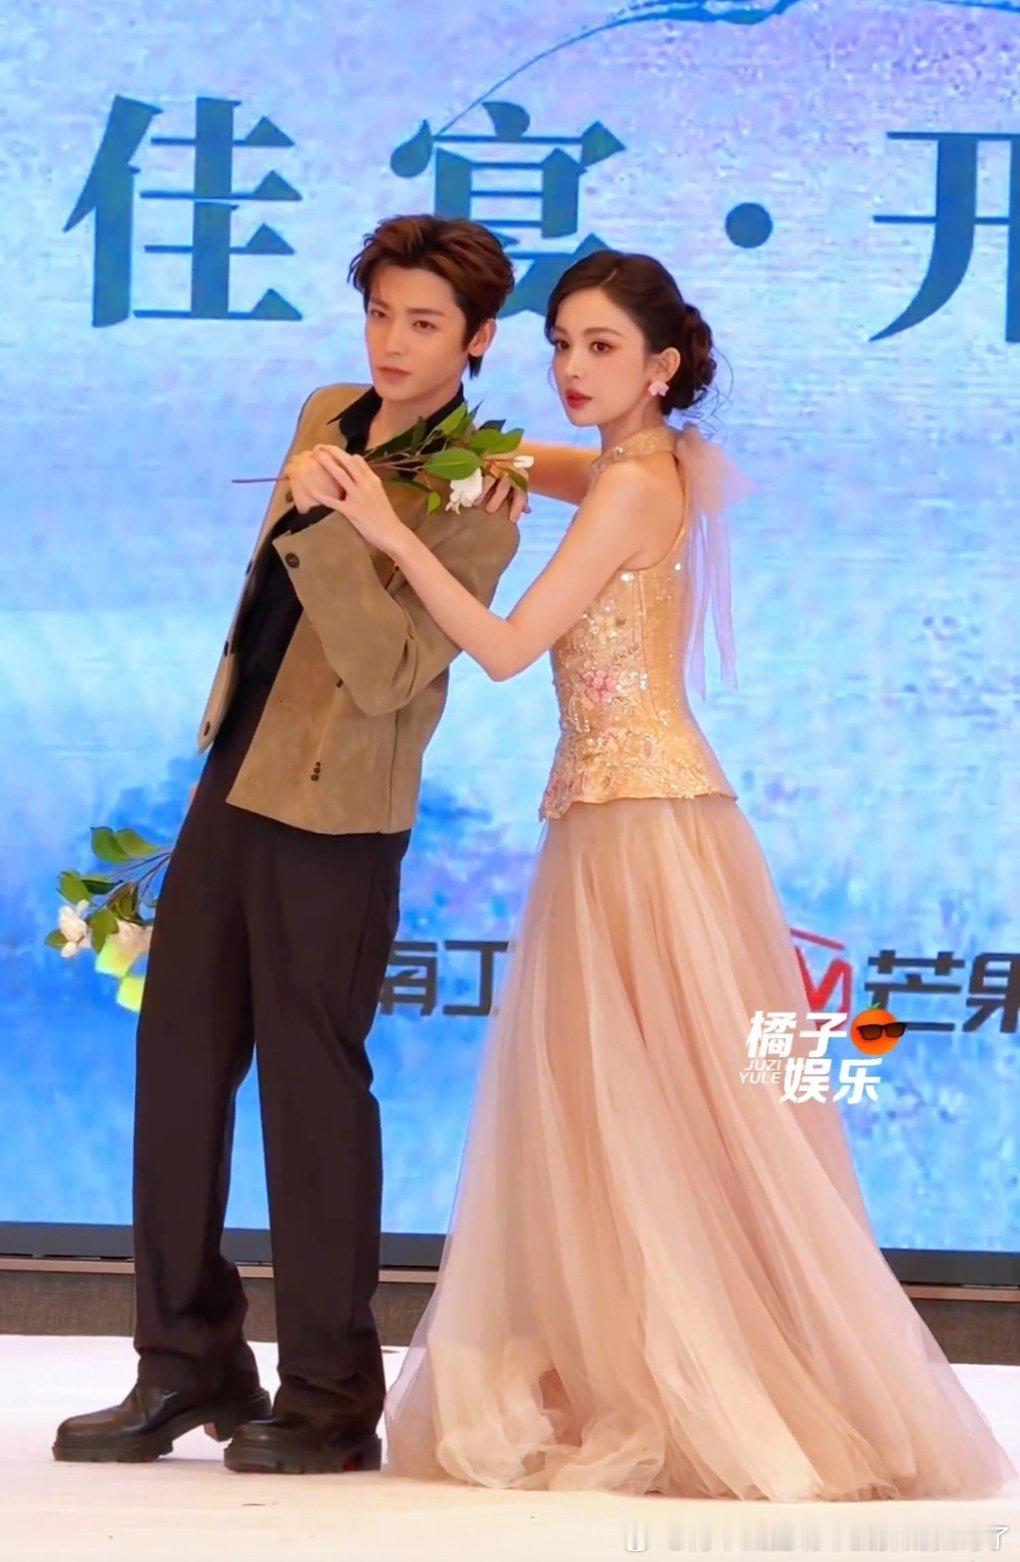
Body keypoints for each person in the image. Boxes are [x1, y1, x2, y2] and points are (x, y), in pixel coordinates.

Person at [302, 249, 1018, 1499]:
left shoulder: (635, 488)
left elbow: (508, 648)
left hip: (639, 828)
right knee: (648, 1115)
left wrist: (383, 527)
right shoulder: (650, 462)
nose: (571, 369)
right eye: (560, 345)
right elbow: (538, 464)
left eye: (602, 349)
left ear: (662, 364)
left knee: (665, 1112)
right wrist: (442, 456)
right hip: (632, 818)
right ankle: (654, 1362)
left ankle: (713, 1385)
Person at [51, 215, 523, 1475]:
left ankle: (329, 1393)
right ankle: (185, 1359)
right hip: (238, 772)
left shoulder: (485, 489)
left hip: (341, 812)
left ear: (478, 340)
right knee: (177, 1065)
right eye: (379, 314)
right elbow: (263, 607)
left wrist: (341, 527)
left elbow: (388, 672)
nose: (392, 343)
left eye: (424, 323)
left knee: (313, 1093)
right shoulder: (327, 410)